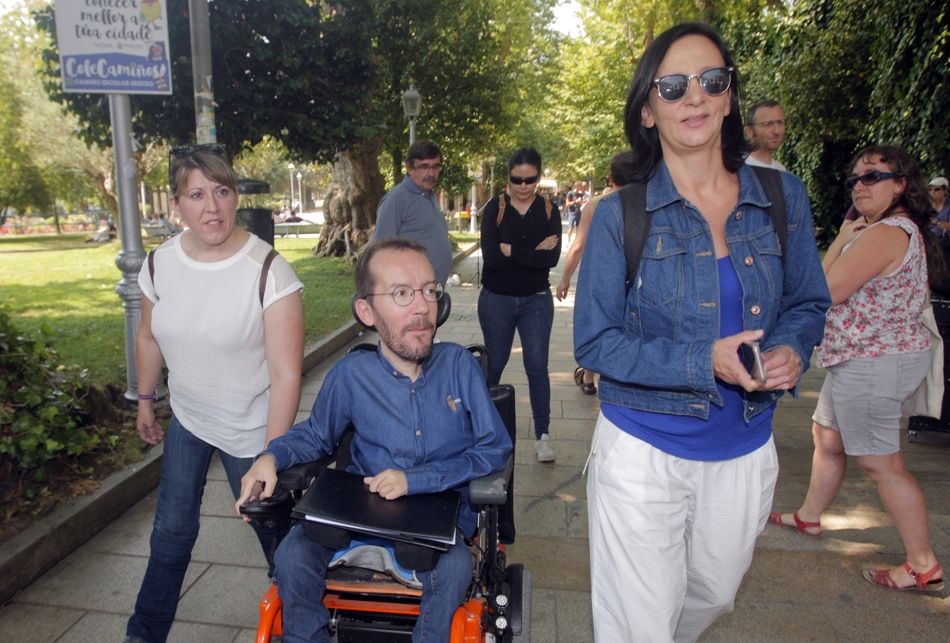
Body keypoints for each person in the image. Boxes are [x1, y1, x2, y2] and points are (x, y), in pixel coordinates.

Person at [573, 23, 831, 642]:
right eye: (673, 85)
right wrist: (702, 360)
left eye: (712, 81)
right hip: (642, 447)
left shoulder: (781, 194)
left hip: (743, 446)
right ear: (646, 110)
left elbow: (808, 301)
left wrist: (793, 346)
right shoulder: (619, 215)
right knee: (641, 626)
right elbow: (595, 342)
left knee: (713, 593)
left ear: (730, 98)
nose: (695, 97)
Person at [236, 237, 512, 643]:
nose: (422, 307)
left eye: (429, 291)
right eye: (401, 293)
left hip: (440, 524)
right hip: (362, 519)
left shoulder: (459, 367)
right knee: (291, 556)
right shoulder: (351, 376)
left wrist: (416, 479)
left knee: (454, 569)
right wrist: (269, 458)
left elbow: (494, 448)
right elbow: (315, 435)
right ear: (366, 310)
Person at [123, 146, 305, 643]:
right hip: (188, 418)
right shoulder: (160, 264)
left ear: (235, 197)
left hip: (250, 428)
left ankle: (308, 625)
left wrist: (270, 456)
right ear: (177, 203)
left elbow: (287, 374)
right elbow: (148, 336)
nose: (212, 207)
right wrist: (144, 400)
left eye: (222, 192)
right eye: (197, 194)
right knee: (170, 536)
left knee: (277, 540)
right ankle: (144, 634)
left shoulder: (269, 271)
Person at [769, 145, 946, 593]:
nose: (859, 186)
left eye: (872, 177)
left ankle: (922, 562)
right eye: (854, 179)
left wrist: (842, 241)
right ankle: (809, 516)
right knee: (827, 437)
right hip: (862, 359)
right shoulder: (886, 229)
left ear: (901, 184)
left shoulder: (885, 233)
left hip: (875, 363)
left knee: (881, 464)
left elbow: (822, 289)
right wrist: (848, 237)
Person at [479, 147, 562, 462]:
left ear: (538, 177)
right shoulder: (494, 209)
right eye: (517, 180)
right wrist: (533, 252)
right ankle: (484, 432)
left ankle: (543, 435)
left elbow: (551, 260)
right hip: (496, 299)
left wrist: (512, 249)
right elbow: (493, 260)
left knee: (537, 367)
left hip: (537, 300)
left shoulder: (549, 211)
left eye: (530, 180)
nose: (523, 186)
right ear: (509, 178)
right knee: (494, 365)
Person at [556, 152, 637, 396]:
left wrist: (565, 278)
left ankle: (589, 378)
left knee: (599, 326)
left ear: (611, 177)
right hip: (635, 278)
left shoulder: (598, 204)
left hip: (603, 275)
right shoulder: (645, 202)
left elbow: (578, 245)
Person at [372, 140, 453, 285]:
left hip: (432, 292)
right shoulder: (396, 199)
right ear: (410, 168)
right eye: (424, 167)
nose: (431, 173)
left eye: (436, 167)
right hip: (410, 293)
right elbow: (380, 250)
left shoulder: (430, 195)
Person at [744, 99, 788, 171]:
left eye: (780, 123)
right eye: (768, 124)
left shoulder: (781, 170)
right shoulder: (737, 170)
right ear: (750, 131)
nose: (777, 131)